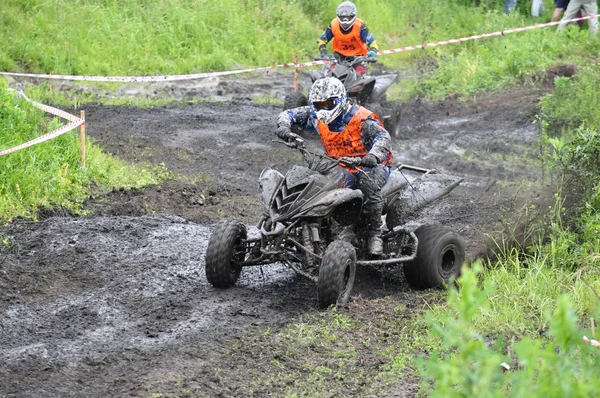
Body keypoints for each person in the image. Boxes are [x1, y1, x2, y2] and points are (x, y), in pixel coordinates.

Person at [275, 77, 393, 256]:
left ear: (340, 100)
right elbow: (288, 114)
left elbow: (383, 137)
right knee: (314, 182)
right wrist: (284, 129)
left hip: (370, 164)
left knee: (367, 184)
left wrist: (373, 156)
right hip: (338, 164)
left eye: (328, 103)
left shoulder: (362, 119)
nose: (323, 108)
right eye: (318, 104)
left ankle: (375, 233)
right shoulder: (315, 116)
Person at [317, 1, 379, 74]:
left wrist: (373, 51)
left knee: (361, 78)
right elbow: (321, 40)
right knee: (327, 74)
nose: (345, 20)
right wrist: (323, 52)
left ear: (353, 15)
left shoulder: (360, 26)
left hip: (358, 57)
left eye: (348, 17)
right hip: (338, 57)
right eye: (343, 17)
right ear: (338, 16)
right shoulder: (334, 25)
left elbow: (372, 42)